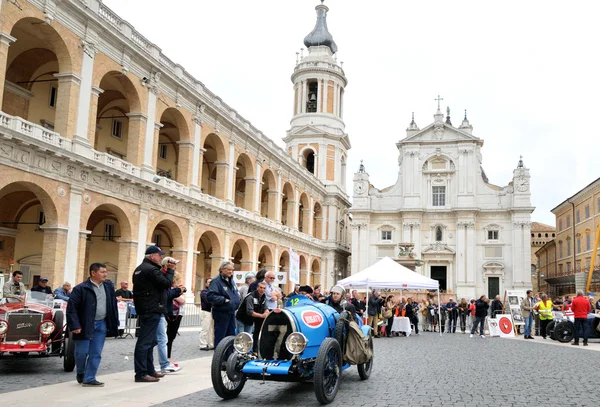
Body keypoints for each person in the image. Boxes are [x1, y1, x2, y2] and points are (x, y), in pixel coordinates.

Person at [66, 263, 119, 387]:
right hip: (84, 325)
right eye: (102, 272)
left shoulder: (108, 287)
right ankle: (81, 372)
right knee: (81, 352)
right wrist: (75, 325)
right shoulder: (81, 288)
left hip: (102, 324)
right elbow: (71, 308)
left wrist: (114, 322)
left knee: (96, 353)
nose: (105, 274)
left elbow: (113, 306)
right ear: (93, 273)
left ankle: (89, 378)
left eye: (106, 272)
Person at [132, 245, 173, 383]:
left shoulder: (139, 269)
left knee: (150, 341)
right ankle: (141, 373)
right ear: (152, 256)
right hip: (151, 308)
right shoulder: (151, 269)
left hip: (146, 308)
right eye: (159, 255)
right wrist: (170, 271)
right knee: (145, 342)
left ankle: (149, 370)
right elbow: (166, 283)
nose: (161, 257)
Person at [156, 257, 184, 374]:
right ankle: (165, 362)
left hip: (166, 311)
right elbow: (168, 295)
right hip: (165, 311)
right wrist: (178, 291)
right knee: (162, 338)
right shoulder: (161, 277)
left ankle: (166, 361)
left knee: (165, 338)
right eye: (173, 265)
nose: (175, 267)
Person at [207, 261, 241, 347]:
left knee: (230, 337)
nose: (231, 272)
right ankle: (219, 358)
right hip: (221, 313)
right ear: (222, 269)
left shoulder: (231, 280)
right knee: (221, 337)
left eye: (232, 270)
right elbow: (210, 296)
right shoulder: (216, 281)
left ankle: (228, 357)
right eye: (229, 269)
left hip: (231, 312)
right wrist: (224, 300)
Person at [237, 281, 269, 352]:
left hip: (250, 320)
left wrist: (266, 311)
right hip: (242, 318)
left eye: (264, 288)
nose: (262, 289)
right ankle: (239, 353)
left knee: (248, 337)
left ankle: (248, 352)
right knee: (241, 337)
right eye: (261, 287)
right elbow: (250, 312)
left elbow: (265, 307)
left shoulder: (264, 296)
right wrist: (262, 315)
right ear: (257, 288)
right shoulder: (251, 297)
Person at [167, 272, 186, 366]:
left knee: (171, 337)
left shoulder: (175, 290)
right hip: (173, 315)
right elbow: (182, 300)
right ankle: (167, 358)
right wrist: (179, 291)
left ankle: (168, 358)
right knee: (169, 337)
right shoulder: (171, 290)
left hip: (177, 315)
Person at [199, 278, 214, 351]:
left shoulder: (213, 291)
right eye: (209, 282)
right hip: (206, 311)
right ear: (206, 283)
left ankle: (211, 344)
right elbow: (208, 301)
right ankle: (203, 344)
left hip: (211, 312)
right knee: (205, 329)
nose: (210, 283)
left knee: (211, 329)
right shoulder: (204, 292)